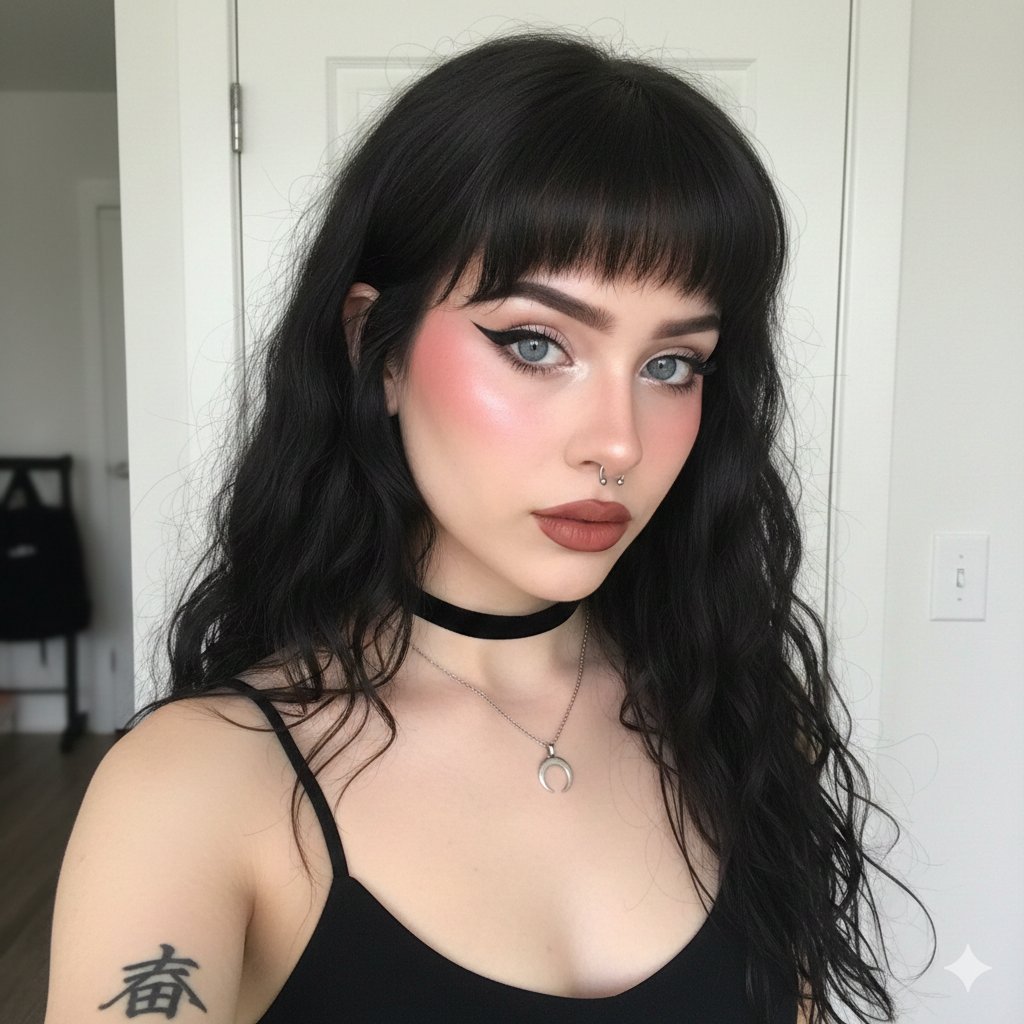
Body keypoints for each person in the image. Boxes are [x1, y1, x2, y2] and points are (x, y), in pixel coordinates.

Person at [44, 32, 933, 1024]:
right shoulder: (198, 787)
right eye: (535, 342)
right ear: (375, 347)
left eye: (670, 364)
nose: (618, 443)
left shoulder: (742, 727)